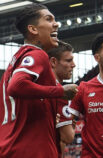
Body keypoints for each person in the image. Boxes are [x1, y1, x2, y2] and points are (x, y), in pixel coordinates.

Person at [0, 4, 77, 157]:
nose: (56, 24)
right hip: (30, 150)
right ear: (33, 29)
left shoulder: (15, 62)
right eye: (48, 19)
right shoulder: (37, 54)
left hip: (12, 146)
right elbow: (16, 86)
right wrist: (60, 91)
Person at [48, 41, 76, 157]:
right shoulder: (60, 92)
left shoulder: (40, 87)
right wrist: (72, 127)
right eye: (68, 60)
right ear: (54, 62)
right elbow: (67, 137)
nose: (73, 64)